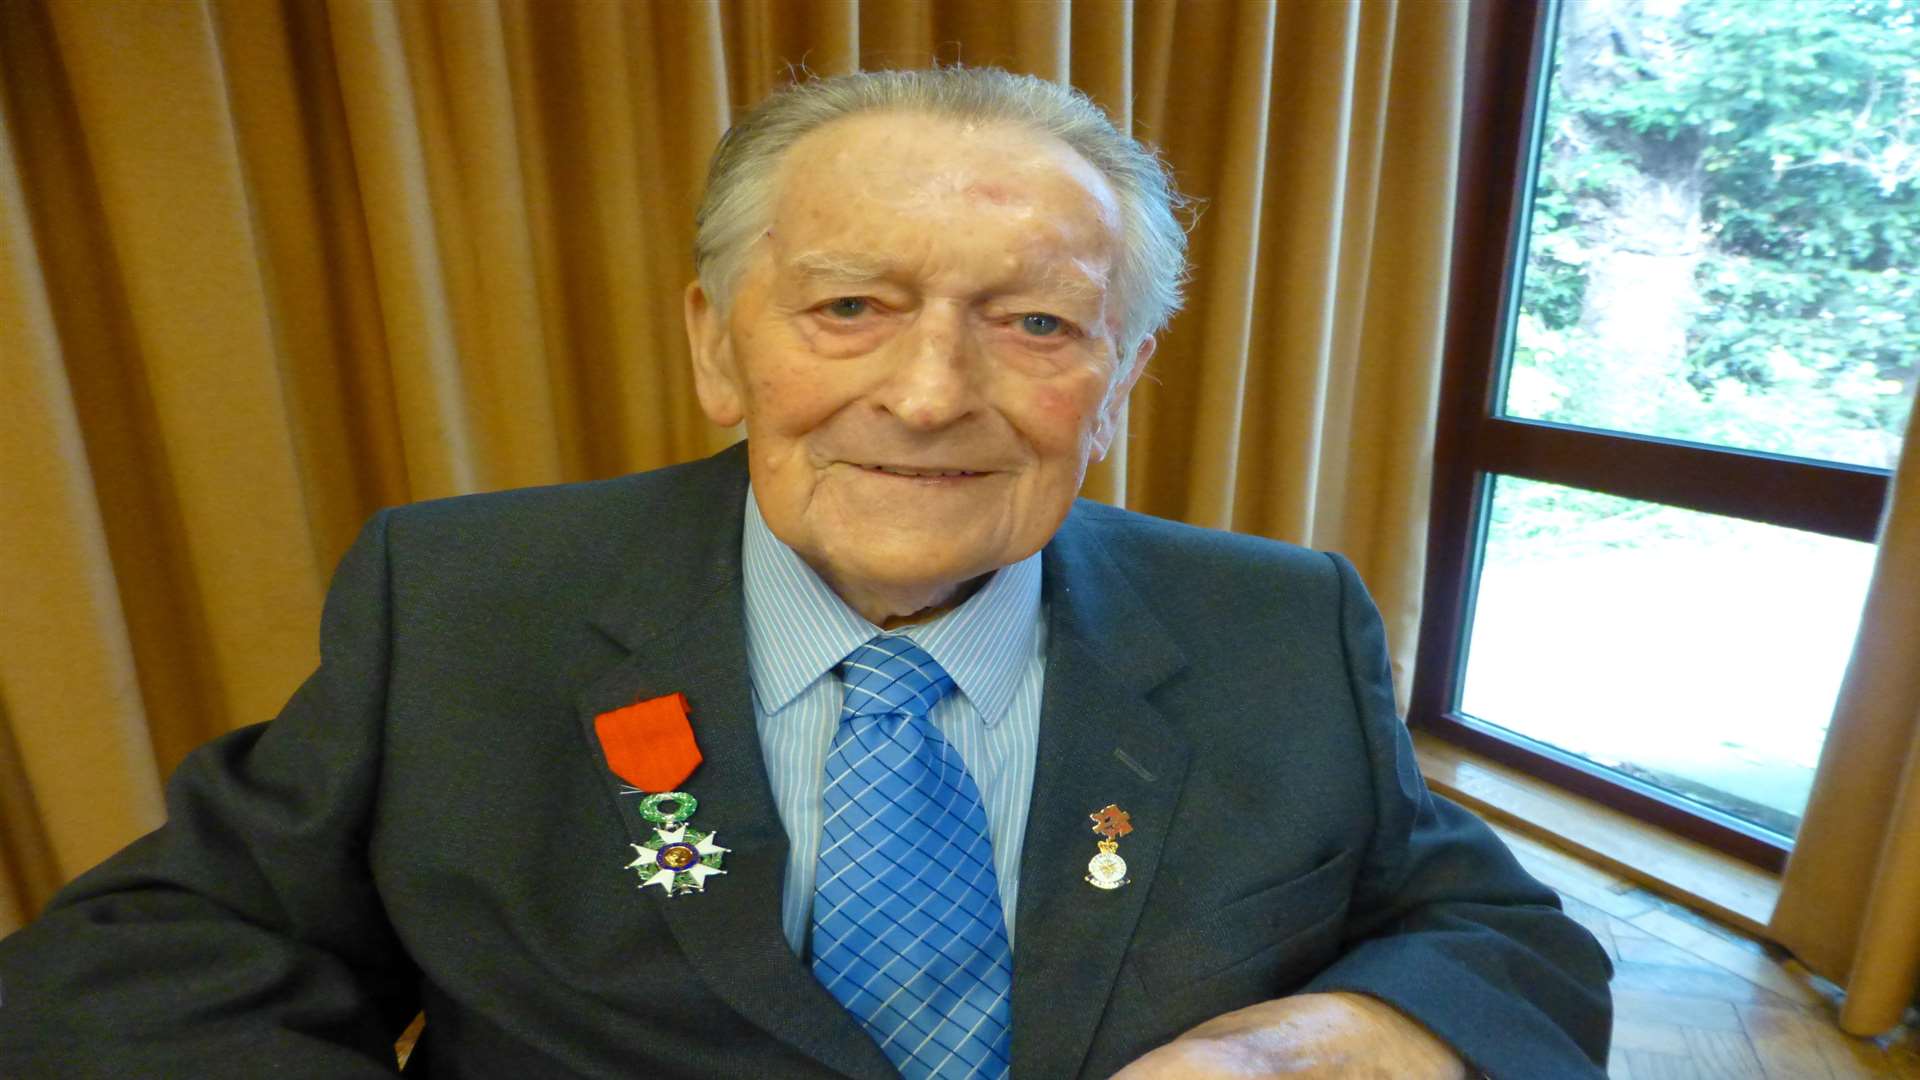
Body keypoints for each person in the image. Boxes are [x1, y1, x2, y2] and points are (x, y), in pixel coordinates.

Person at [0, 66, 1611, 1079]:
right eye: (849, 307)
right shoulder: (464, 601)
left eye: (1036, 323)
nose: (926, 394)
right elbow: (144, 970)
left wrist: (1346, 1036)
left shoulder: (1275, 618)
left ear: (1115, 385)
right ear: (718, 345)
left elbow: (1495, 932)